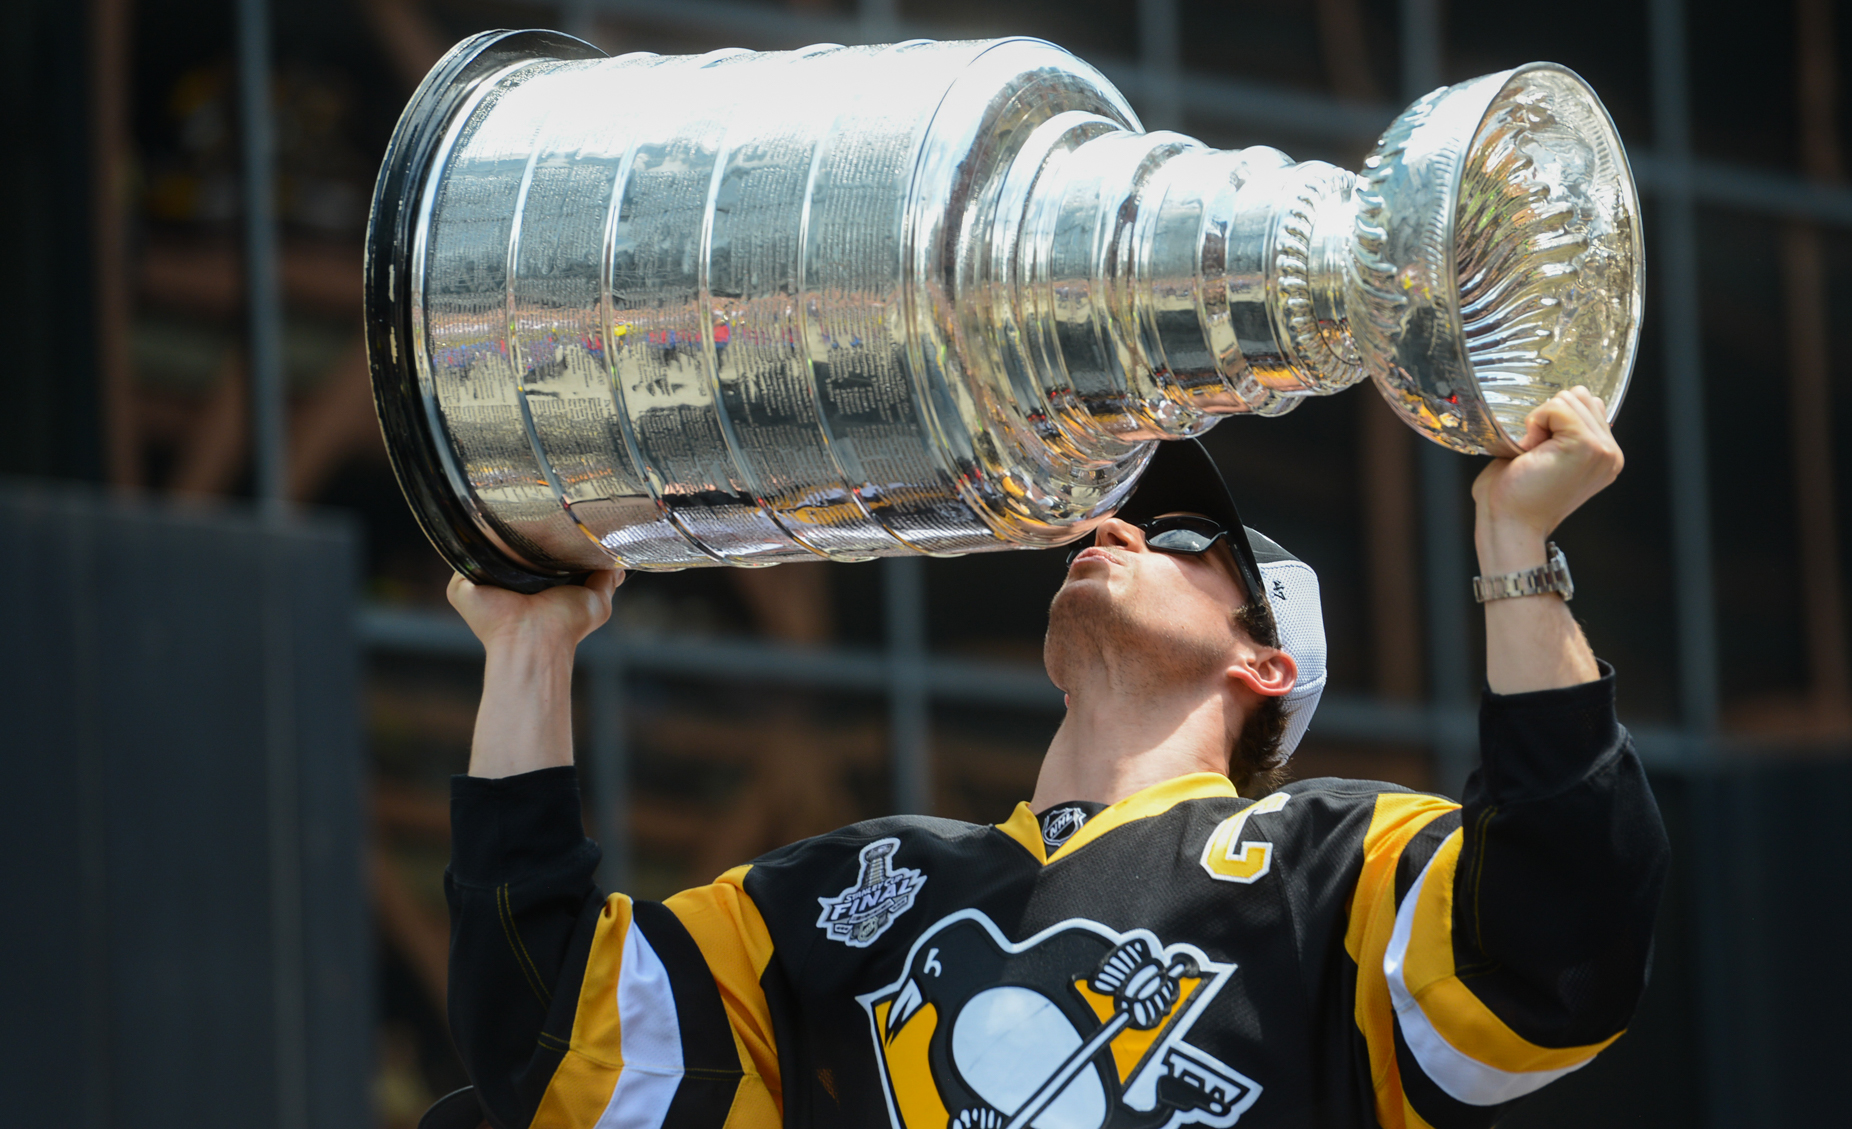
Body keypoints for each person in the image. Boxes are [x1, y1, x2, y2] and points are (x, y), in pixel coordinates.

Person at [425, 388, 1669, 1129]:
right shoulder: (861, 885)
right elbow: (563, 1044)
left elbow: (1556, 944)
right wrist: (528, 651)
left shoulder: (1330, 866)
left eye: (1184, 534)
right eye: (1126, 507)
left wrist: (1514, 547)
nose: (1117, 520)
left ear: (1266, 662)